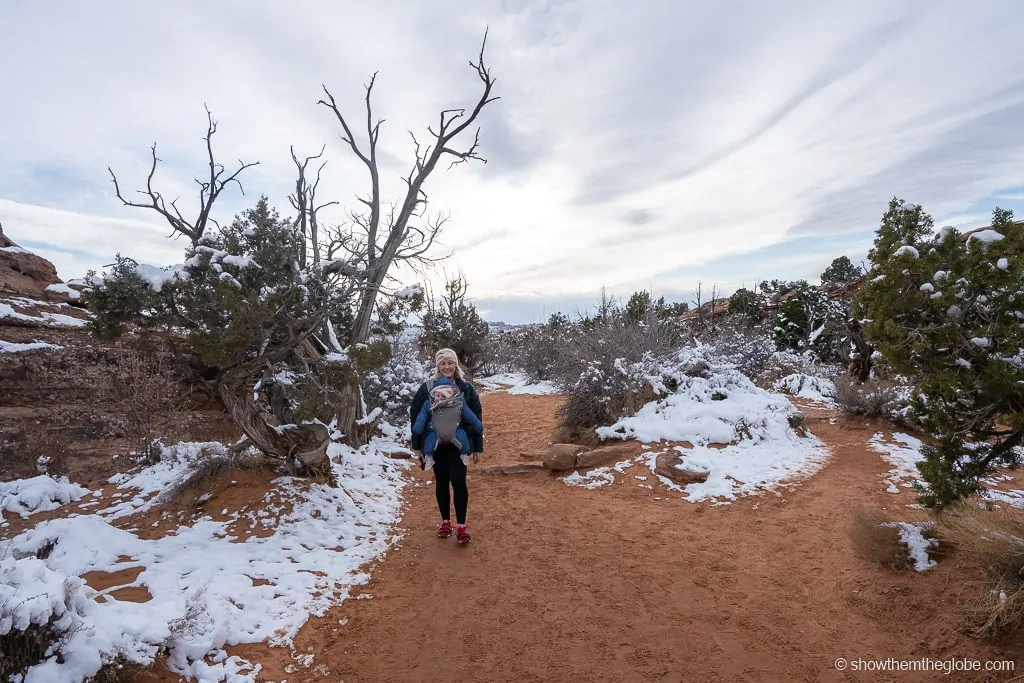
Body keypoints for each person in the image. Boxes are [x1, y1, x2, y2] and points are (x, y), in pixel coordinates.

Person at [410, 348, 484, 544]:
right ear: (437, 366)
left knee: (459, 481)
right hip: (435, 445)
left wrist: (477, 447)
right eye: (443, 363)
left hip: (459, 445)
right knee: (441, 482)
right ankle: (445, 522)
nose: (446, 366)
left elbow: (475, 416)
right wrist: (417, 446)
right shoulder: (427, 388)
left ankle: (461, 526)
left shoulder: (466, 388)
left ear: (455, 365)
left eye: (450, 363)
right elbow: (416, 415)